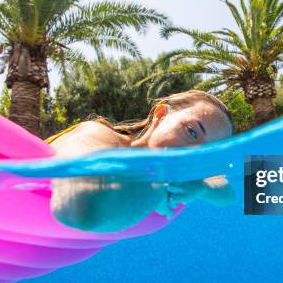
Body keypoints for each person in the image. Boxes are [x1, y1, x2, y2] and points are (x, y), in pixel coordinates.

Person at [47, 90, 236, 232]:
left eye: (205, 153)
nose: (192, 154)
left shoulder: (182, 180)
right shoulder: (96, 134)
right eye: (191, 132)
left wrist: (201, 187)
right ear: (160, 115)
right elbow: (82, 205)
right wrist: (156, 189)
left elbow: (229, 194)